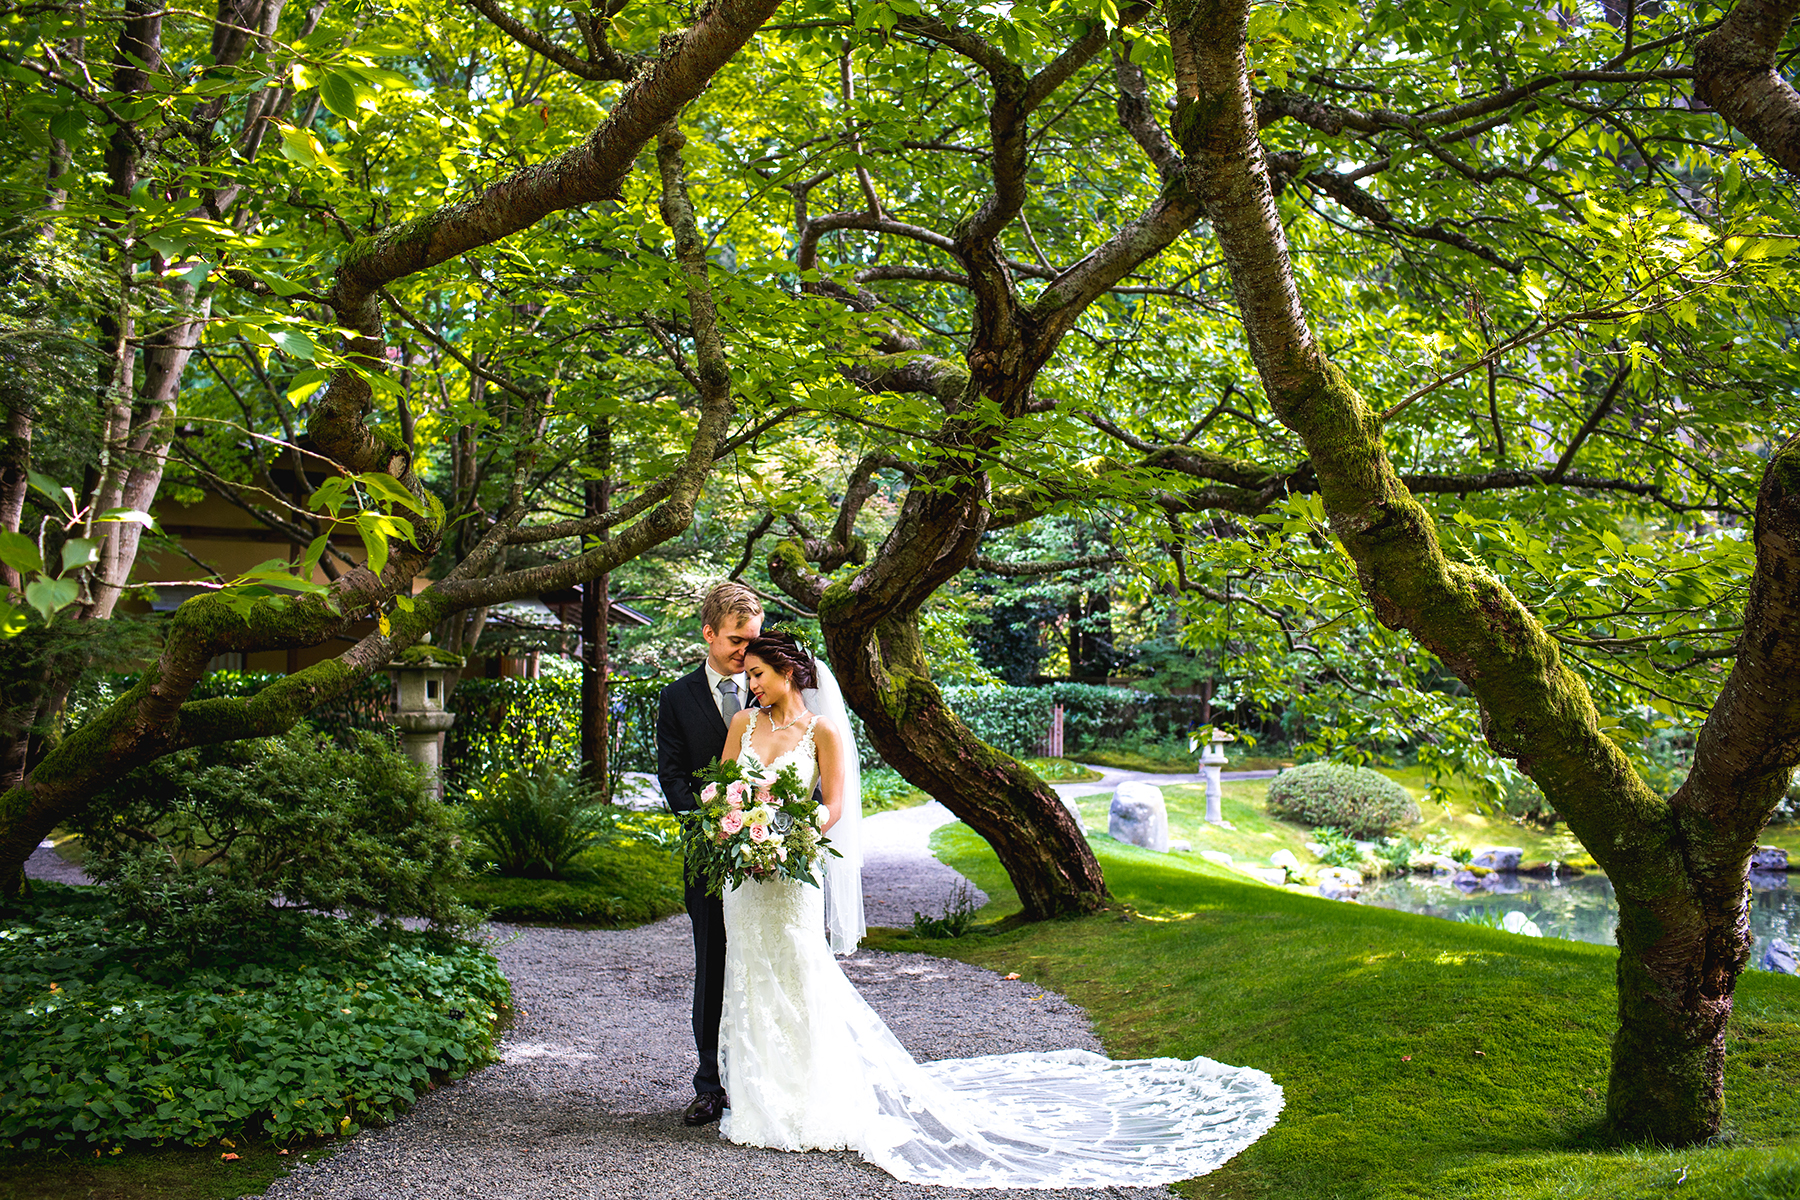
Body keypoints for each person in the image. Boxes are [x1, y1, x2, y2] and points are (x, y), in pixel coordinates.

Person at [710, 631, 1284, 1189]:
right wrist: (734, 829)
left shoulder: (822, 730)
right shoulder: (743, 724)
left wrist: (792, 837)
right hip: (747, 878)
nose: (751, 685)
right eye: (747, 676)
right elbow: (722, 789)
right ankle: (761, 1100)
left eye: (757, 674)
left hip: (793, 874)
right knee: (751, 974)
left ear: (787, 672)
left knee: (799, 972)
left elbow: (832, 806)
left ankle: (810, 1095)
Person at [656, 581, 763, 1127]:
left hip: (769, 863)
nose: (746, 653)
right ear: (709, 634)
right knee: (713, 968)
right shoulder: (675, 698)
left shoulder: (775, 689)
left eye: (753, 641)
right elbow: (671, 777)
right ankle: (708, 1084)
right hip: (707, 856)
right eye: (735, 641)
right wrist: (711, 817)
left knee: (764, 967)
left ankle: (761, 1079)